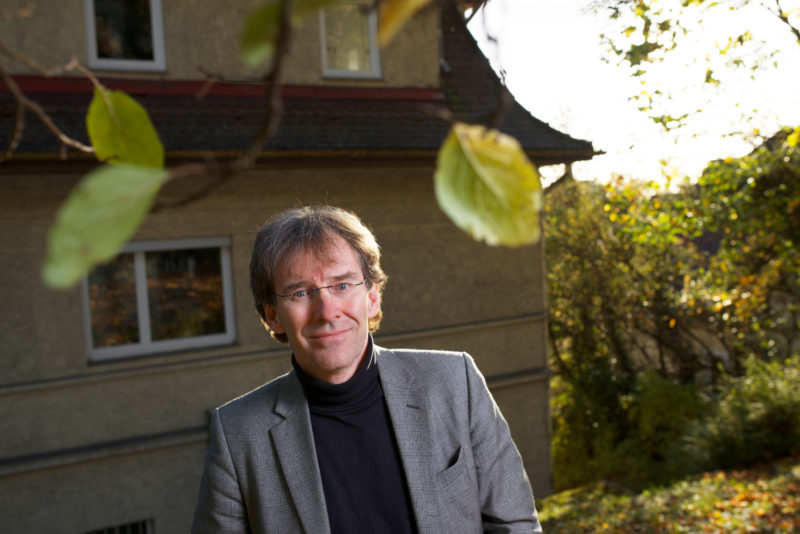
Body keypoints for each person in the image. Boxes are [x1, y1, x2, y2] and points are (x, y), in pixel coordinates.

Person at [191, 206, 542, 533]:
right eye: (300, 293)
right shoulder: (237, 434)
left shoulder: (455, 382)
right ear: (272, 316)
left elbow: (515, 524)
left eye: (342, 285)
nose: (326, 311)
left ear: (372, 297)